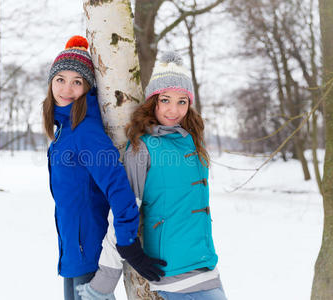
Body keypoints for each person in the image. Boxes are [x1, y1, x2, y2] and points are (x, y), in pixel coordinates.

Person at [77, 51, 227, 300]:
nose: (173, 109)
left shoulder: (191, 140)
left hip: (206, 263)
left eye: (182, 101)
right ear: (153, 102)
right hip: (174, 270)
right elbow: (123, 211)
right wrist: (103, 283)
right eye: (166, 100)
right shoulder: (142, 148)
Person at [43, 36, 166, 300]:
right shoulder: (63, 132)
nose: (67, 88)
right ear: (51, 83)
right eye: (60, 79)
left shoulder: (85, 131)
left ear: (87, 88)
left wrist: (128, 243)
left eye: (77, 81)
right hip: (74, 253)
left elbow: (119, 188)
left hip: (91, 256)